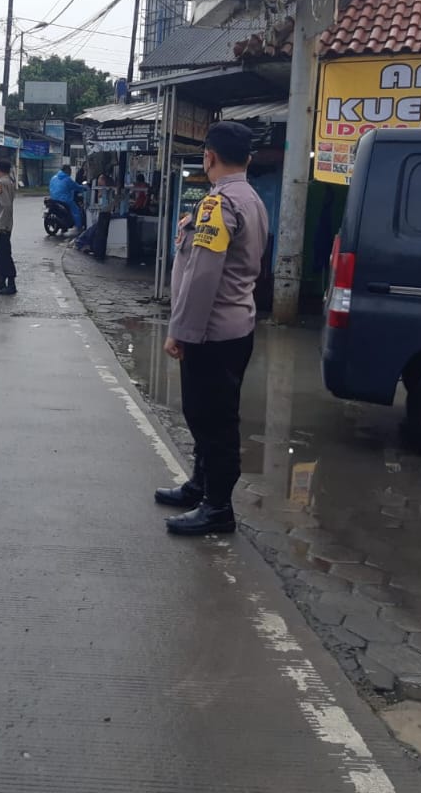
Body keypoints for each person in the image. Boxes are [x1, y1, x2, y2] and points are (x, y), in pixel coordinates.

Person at [155, 121, 269, 537]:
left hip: (211, 331)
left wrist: (181, 331)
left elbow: (202, 276)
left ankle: (218, 507)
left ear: (209, 157)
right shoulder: (252, 200)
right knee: (209, 415)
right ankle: (200, 487)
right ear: (248, 159)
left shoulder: (218, 205)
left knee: (212, 420)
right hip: (235, 327)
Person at [0, 159, 17, 295]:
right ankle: (1, 282)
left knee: (3, 254)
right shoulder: (9, 181)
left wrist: (2, 225)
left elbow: (5, 205)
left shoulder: (2, 182)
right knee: (0, 253)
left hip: (2, 225)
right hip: (4, 224)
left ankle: (10, 284)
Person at [48, 165, 84, 232]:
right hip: (65, 200)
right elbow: (76, 186)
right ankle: (79, 228)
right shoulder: (67, 179)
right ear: (67, 170)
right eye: (70, 171)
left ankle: (64, 226)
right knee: (76, 211)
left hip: (53, 199)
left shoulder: (53, 178)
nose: (70, 173)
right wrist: (84, 188)